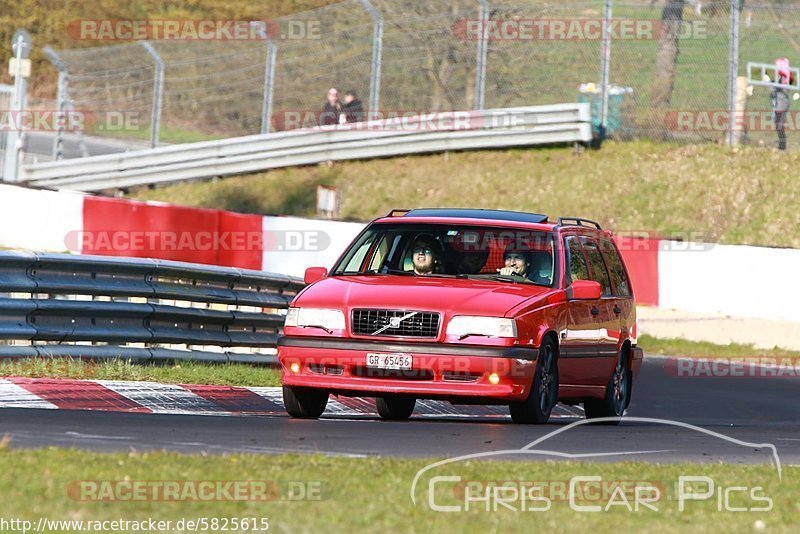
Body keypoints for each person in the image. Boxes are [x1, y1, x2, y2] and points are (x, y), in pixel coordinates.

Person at [770, 58, 793, 151]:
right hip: (779, 103)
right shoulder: (782, 77)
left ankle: (782, 145)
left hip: (782, 104)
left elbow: (777, 86)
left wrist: (769, 81)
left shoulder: (784, 77)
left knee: (779, 124)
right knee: (778, 124)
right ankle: (782, 144)